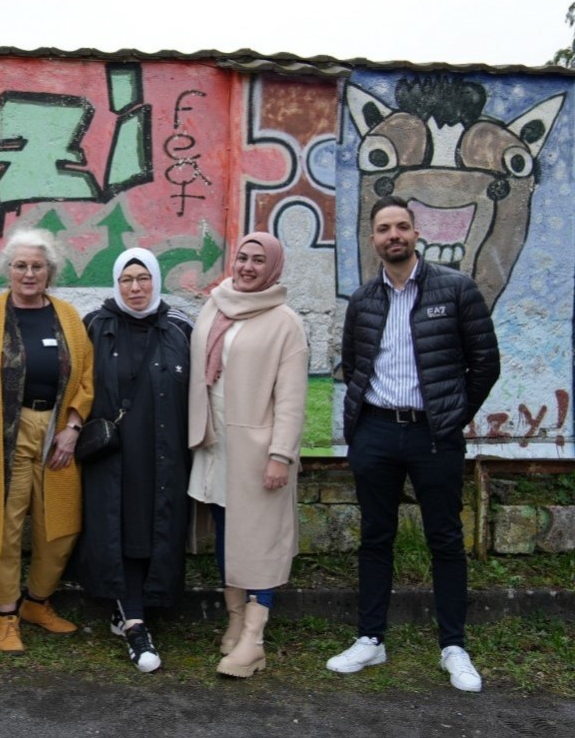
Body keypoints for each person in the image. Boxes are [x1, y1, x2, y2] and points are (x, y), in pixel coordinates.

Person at [327, 196, 500, 692]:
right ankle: (371, 640)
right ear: (374, 238)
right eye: (384, 228)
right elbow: (355, 366)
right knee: (375, 538)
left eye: (402, 226)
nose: (393, 235)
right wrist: (359, 431)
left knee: (444, 539)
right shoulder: (363, 300)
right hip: (377, 430)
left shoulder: (457, 288)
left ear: (416, 232)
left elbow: (485, 363)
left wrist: (451, 417)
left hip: (434, 434)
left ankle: (454, 646)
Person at [0, 227, 94, 654]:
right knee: (4, 527)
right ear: (7, 270)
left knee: (60, 527)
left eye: (37, 266)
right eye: (20, 266)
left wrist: (72, 427)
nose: (29, 273)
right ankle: (6, 615)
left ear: (50, 272)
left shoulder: (67, 316)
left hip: (54, 432)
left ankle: (37, 602)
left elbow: (86, 377)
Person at [188, 231, 308, 678]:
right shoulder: (215, 305)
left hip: (259, 452)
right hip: (217, 448)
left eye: (260, 260)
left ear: (272, 268)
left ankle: (254, 639)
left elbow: (292, 398)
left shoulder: (284, 321)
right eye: (243, 258)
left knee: (260, 544)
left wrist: (281, 455)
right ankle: (235, 620)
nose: (248, 267)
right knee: (228, 535)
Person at [79, 248, 194, 673]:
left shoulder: (180, 327)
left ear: (156, 280)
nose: (136, 287)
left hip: (164, 449)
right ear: (116, 283)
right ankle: (135, 625)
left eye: (143, 278)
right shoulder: (95, 324)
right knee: (117, 525)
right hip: (112, 453)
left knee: (155, 523)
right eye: (127, 279)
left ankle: (130, 608)